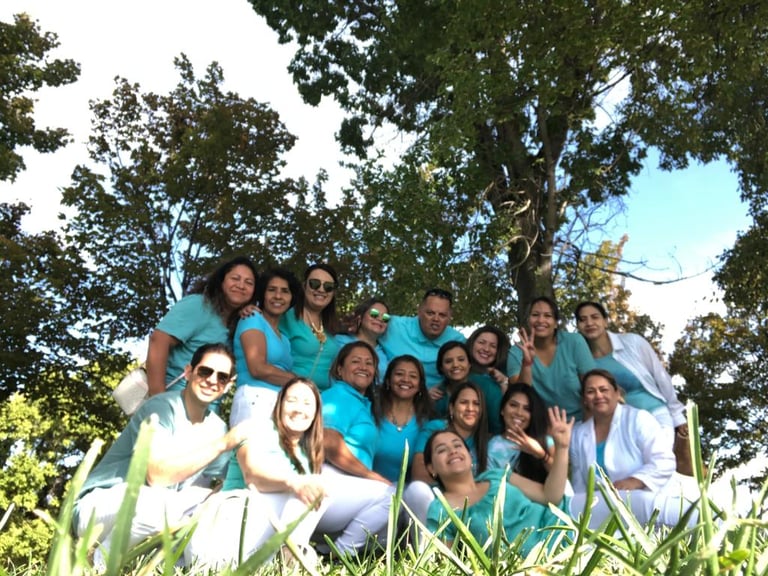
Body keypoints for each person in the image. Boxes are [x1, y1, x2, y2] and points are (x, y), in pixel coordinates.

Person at [75, 344, 250, 562]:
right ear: (188, 372)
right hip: (99, 508)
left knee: (208, 521)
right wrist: (223, 444)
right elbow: (156, 477)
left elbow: (230, 483)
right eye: (205, 371)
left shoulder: (217, 428)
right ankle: (100, 565)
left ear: (227, 386)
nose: (212, 380)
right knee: (160, 506)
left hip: (154, 516)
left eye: (222, 377)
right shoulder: (162, 408)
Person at [184, 377, 326, 569]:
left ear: (316, 412)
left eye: (308, 403)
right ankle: (291, 552)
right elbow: (252, 475)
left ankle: (291, 551)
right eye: (292, 400)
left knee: (320, 486)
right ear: (279, 404)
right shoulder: (256, 428)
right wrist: (293, 482)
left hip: (257, 543)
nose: (299, 409)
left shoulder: (307, 455)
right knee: (312, 485)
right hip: (224, 533)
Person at [424, 405, 573, 555]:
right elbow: (446, 564)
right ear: (431, 468)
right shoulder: (440, 510)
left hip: (563, 534)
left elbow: (551, 497)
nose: (453, 451)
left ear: (470, 456)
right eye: (442, 450)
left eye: (458, 445)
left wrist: (562, 447)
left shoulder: (497, 475)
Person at [570, 369, 697, 529]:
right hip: (609, 513)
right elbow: (579, 485)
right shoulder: (577, 434)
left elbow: (664, 462)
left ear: (617, 393)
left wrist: (634, 481)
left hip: (655, 504)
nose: (598, 395)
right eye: (590, 391)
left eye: (604, 389)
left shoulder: (639, 418)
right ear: (584, 400)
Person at [145, 256, 257, 411]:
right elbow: (158, 340)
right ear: (221, 281)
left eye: (249, 283)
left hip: (207, 412)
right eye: (235, 278)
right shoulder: (198, 305)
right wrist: (157, 398)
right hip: (174, 404)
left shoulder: (243, 323)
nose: (241, 285)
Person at [317, 341, 394, 555]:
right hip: (328, 481)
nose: (364, 366)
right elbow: (330, 445)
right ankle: (341, 555)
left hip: (347, 487)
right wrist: (370, 476)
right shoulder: (339, 396)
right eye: (356, 361)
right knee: (392, 496)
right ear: (340, 370)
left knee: (391, 527)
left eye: (369, 363)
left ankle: (325, 549)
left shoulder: (361, 402)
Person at [574, 300, 686, 436]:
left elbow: (661, 377)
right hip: (619, 429)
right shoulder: (581, 360)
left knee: (658, 455)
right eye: (583, 319)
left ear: (605, 321)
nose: (589, 323)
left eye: (595, 317)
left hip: (655, 415)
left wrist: (677, 416)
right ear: (578, 326)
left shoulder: (632, 342)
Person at [230, 268, 301, 425]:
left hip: (281, 404)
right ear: (262, 294)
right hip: (254, 400)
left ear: (291, 298)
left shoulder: (285, 339)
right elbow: (258, 368)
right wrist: (300, 382)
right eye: (271, 290)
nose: (278, 296)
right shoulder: (252, 318)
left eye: (285, 291)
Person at [510, 296, 595, 421]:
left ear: (555, 323)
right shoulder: (517, 351)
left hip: (579, 422)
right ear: (528, 320)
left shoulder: (574, 342)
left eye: (548, 315)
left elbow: (591, 384)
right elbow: (520, 395)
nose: (540, 320)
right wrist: (526, 364)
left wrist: (587, 426)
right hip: (540, 427)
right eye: (535, 315)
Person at [373, 355, 442, 483]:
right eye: (399, 374)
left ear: (420, 385)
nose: (406, 379)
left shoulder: (429, 421)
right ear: (388, 380)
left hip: (408, 496)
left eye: (413, 376)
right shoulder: (371, 412)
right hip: (369, 488)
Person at [379, 288, 465, 390]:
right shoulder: (394, 325)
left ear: (450, 317)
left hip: (435, 402)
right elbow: (370, 318)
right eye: (430, 313)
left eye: (442, 315)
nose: (436, 319)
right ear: (419, 311)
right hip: (391, 395)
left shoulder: (458, 341)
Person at [280, 264, 341, 391]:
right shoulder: (286, 316)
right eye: (315, 283)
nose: (321, 290)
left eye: (328, 287)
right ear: (304, 286)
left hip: (324, 400)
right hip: (291, 393)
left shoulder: (332, 325)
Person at [487, 384, 554, 482]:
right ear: (502, 410)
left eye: (526, 409)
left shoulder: (545, 441)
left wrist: (541, 455)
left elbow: (560, 480)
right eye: (513, 405)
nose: (519, 413)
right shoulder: (492, 446)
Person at [336, 297, 391, 381]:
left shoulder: (386, 354)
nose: (380, 319)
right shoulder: (338, 341)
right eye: (374, 314)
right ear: (360, 317)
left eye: (385, 318)